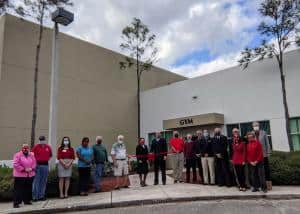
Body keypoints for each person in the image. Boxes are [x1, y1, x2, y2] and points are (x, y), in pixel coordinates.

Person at [13, 144, 36, 208]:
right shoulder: (17, 155)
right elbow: (15, 164)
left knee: (28, 188)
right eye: (24, 148)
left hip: (30, 174)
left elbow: (34, 162)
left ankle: (27, 200)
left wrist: (31, 168)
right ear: (22, 148)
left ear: (29, 149)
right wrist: (24, 169)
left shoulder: (31, 155)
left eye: (27, 148)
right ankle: (16, 203)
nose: (25, 149)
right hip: (20, 175)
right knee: (18, 189)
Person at [31, 136, 52, 201]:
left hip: (45, 165)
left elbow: (50, 155)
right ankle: (35, 196)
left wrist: (46, 159)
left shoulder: (48, 147)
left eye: (43, 140)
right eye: (40, 140)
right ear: (39, 140)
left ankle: (41, 196)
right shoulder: (36, 147)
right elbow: (32, 156)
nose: (42, 141)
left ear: (45, 140)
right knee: (36, 181)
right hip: (38, 165)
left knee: (43, 181)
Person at [252, 121, 272, 190]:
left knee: (266, 170)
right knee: (257, 171)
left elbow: (267, 143)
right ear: (252, 126)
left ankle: (268, 185)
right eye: (254, 125)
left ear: (259, 125)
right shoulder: (251, 134)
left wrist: (268, 152)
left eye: (257, 125)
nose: (256, 126)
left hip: (264, 155)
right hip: (255, 156)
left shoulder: (264, 132)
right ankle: (258, 186)